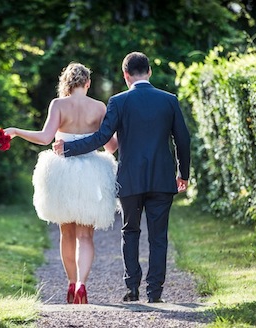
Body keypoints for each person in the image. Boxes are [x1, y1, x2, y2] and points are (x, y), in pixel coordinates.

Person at [53, 52, 191, 303]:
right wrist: (183, 173)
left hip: (130, 179)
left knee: (130, 231)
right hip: (162, 179)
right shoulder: (169, 100)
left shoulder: (118, 101)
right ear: (149, 72)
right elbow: (183, 139)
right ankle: (155, 292)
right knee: (159, 236)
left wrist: (69, 149)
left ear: (125, 75)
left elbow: (101, 138)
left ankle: (133, 289)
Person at [4, 62, 119, 304]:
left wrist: (16, 130)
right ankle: (82, 285)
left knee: (66, 233)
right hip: (92, 173)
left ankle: (70, 283)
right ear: (87, 83)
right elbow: (110, 146)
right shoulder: (98, 107)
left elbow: (46, 138)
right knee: (86, 235)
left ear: (66, 83)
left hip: (62, 172)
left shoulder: (58, 104)